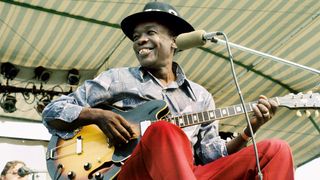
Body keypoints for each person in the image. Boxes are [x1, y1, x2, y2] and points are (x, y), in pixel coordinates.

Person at [42, 2, 294, 179]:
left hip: (189, 173)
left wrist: (250, 130)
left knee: (276, 149)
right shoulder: (117, 78)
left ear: (175, 41)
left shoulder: (201, 96)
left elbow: (209, 155)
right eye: (136, 36)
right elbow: (52, 111)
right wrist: (98, 116)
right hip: (131, 172)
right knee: (163, 129)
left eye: (150, 32)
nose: (140, 39)